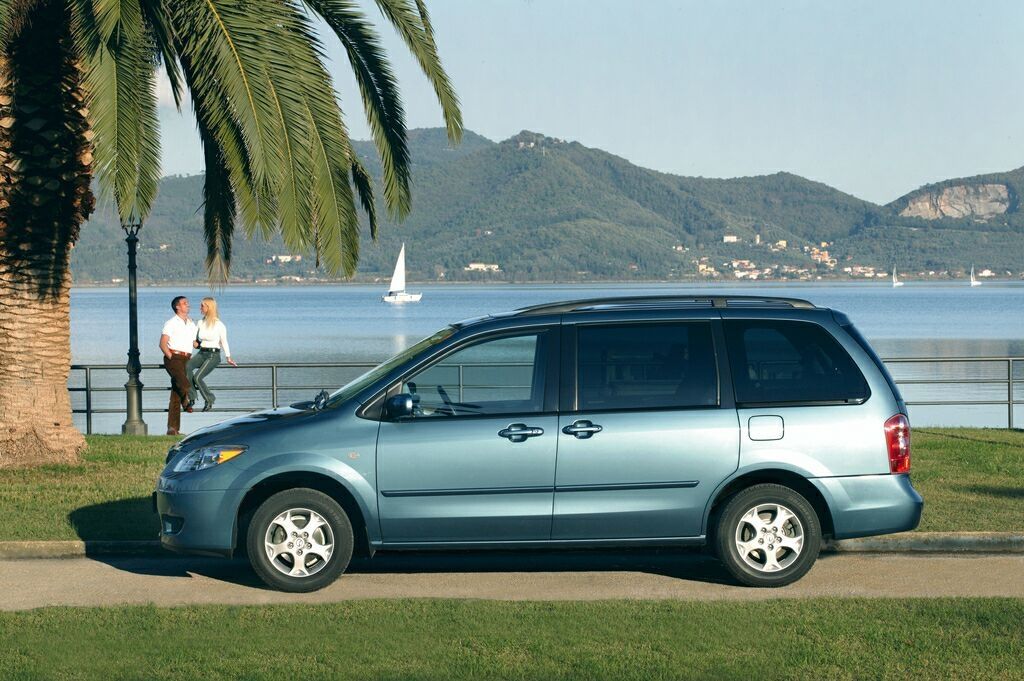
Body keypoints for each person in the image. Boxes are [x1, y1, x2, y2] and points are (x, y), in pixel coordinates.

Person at [188, 297, 237, 412]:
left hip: (213, 355)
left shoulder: (219, 325)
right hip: (201, 353)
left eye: (202, 306)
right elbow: (193, 339)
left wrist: (228, 357)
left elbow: (224, 341)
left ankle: (209, 399)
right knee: (186, 367)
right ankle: (192, 397)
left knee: (197, 377)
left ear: (209, 307)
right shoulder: (200, 322)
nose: (200, 308)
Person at [159, 296, 197, 435]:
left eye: (188, 303)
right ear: (177, 307)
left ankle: (172, 429)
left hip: (187, 358)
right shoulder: (171, 323)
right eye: (185, 303)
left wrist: (212, 344)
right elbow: (162, 344)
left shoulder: (191, 323)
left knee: (176, 393)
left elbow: (194, 343)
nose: (188, 305)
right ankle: (186, 403)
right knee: (185, 384)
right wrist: (171, 357)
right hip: (174, 357)